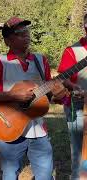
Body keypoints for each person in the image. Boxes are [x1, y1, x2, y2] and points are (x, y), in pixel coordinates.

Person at [0, 17, 68, 180]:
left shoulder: (41, 61)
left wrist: (58, 94)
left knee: (45, 175)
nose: (26, 35)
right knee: (10, 175)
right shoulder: (0, 63)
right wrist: (13, 95)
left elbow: (48, 94)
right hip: (8, 127)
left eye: (27, 32)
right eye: (19, 33)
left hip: (38, 129)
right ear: (8, 40)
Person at [57, 13, 87, 180]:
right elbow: (63, 77)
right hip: (78, 106)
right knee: (79, 150)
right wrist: (74, 87)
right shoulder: (73, 50)